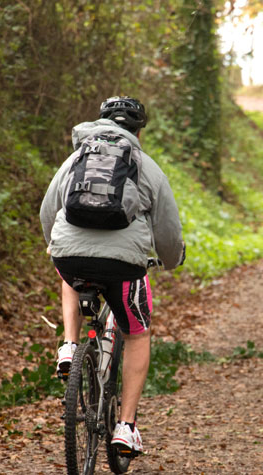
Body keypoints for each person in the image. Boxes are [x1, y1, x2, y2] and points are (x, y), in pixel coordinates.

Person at [40, 96, 185, 454]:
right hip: (123, 266)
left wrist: (57, 246)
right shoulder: (147, 166)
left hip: (70, 257)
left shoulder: (76, 158)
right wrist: (171, 259)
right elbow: (167, 231)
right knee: (137, 334)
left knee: (67, 273)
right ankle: (126, 427)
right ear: (138, 132)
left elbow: (48, 209)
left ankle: (70, 345)